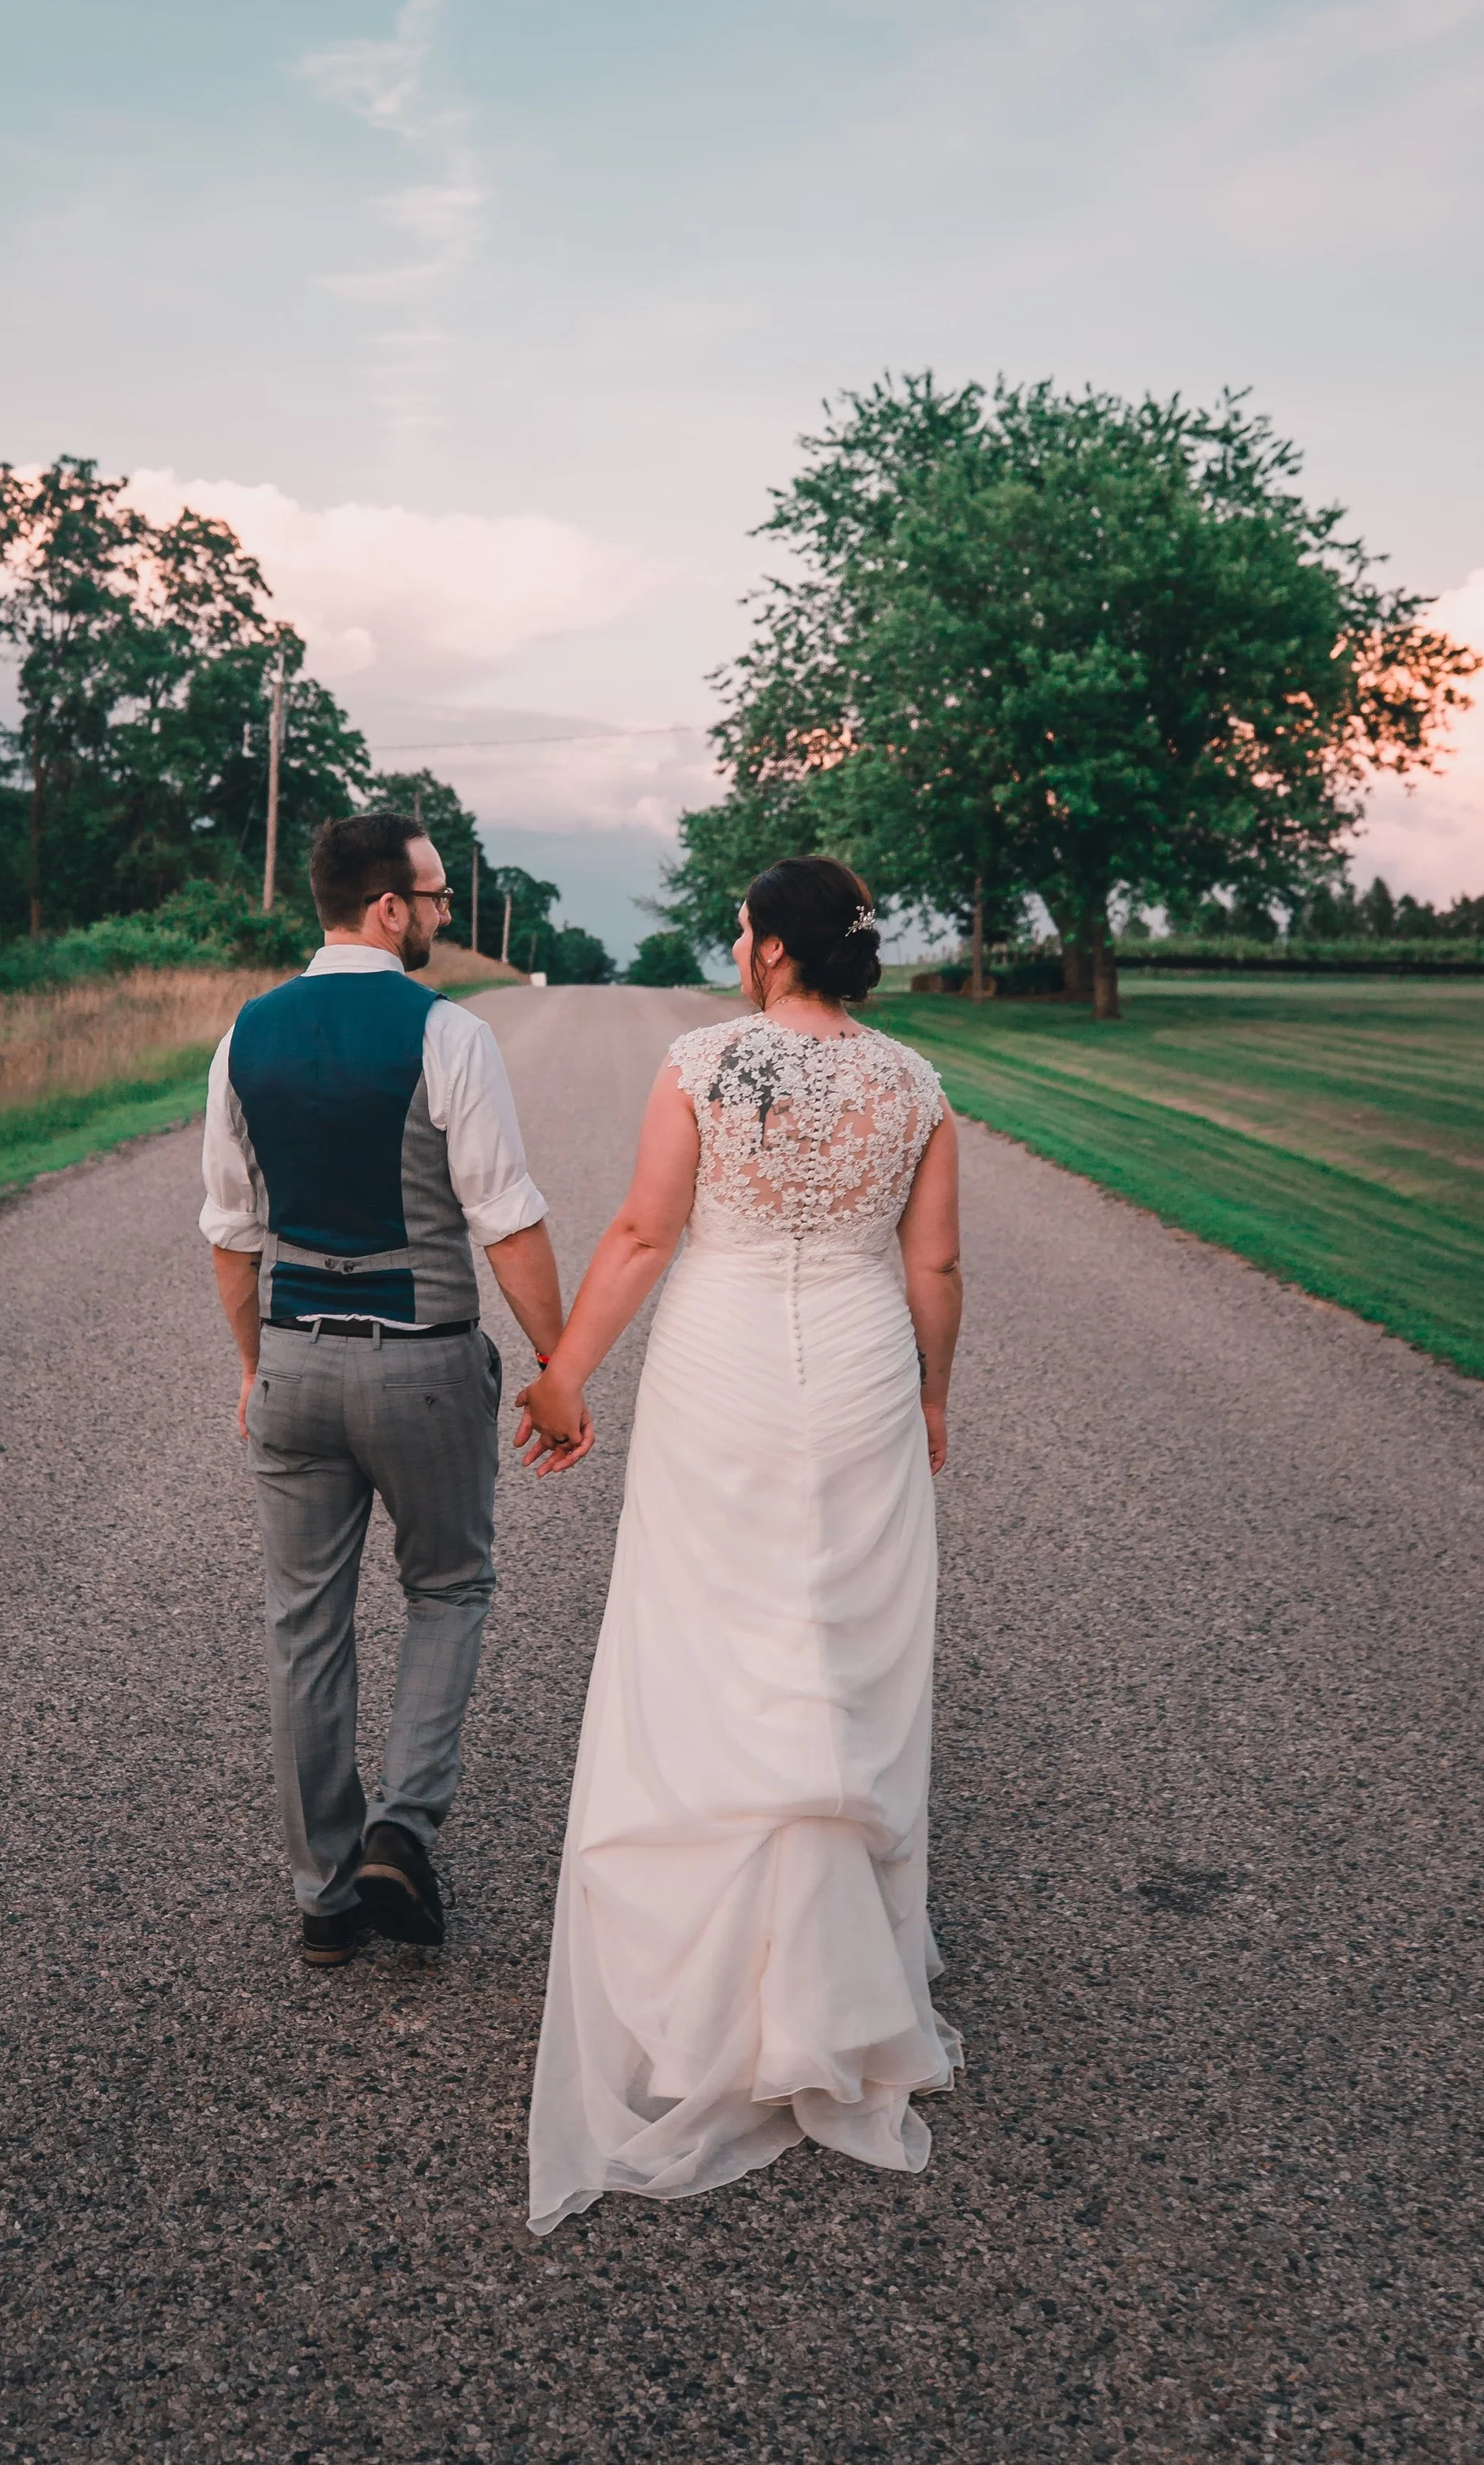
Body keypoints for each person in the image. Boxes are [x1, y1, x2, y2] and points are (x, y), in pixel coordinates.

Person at [516, 855, 962, 2230]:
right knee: (834, 1636)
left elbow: (650, 1228)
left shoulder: (702, 1064)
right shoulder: (919, 1088)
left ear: (770, 950)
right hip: (861, 1360)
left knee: (715, 1637)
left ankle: (704, 1994)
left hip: (724, 1363)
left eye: (744, 930)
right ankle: (836, 1981)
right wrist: (935, 1392)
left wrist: (566, 1370)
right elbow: (933, 1269)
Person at [201, 811, 589, 1970]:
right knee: (449, 1584)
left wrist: (254, 1367)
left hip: (297, 1362)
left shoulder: (244, 1036)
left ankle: (322, 1894)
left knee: (304, 1625)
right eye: (429, 895)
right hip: (422, 1359)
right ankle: (402, 1833)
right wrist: (557, 1366)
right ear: (386, 908)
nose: (440, 914)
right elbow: (506, 1217)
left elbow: (232, 1231)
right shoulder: (447, 1035)